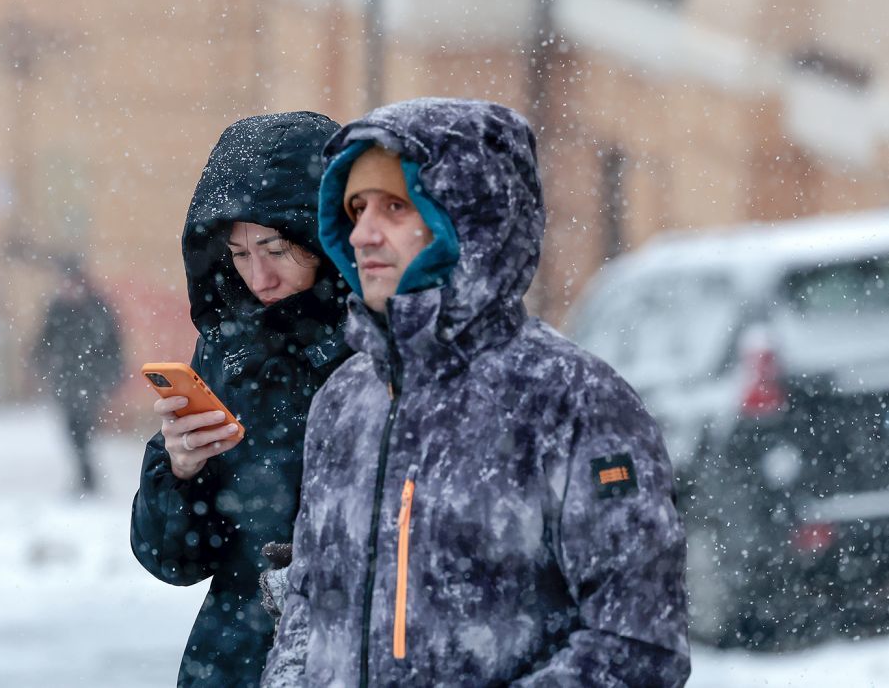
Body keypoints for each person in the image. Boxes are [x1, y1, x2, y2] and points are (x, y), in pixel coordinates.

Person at [262, 98, 691, 686]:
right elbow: (309, 608)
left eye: (394, 206)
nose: (362, 233)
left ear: (469, 221)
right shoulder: (345, 400)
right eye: (356, 209)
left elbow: (637, 644)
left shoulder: (571, 401)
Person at [129, 111, 351, 688]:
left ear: (325, 237)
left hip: (350, 657)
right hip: (234, 661)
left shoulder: (378, 351)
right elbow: (175, 561)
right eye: (240, 252)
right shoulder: (228, 349)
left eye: (276, 249)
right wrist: (180, 470)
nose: (259, 276)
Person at [32, 257, 124, 494]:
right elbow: (45, 339)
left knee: (83, 425)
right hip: (65, 377)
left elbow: (113, 345)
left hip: (91, 379)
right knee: (70, 428)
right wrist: (38, 362)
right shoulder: (57, 308)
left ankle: (87, 475)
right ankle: (85, 472)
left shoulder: (97, 308)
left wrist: (112, 375)